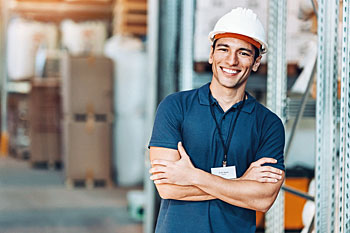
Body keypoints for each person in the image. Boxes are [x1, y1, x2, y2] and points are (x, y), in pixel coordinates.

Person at [148, 7, 285, 233]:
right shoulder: (175, 107)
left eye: (243, 53)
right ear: (211, 54)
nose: (231, 60)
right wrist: (242, 185)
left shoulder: (268, 124)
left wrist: (192, 176)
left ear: (256, 62)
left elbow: (263, 200)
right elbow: (167, 187)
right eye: (224, 49)